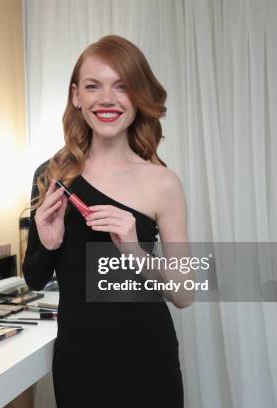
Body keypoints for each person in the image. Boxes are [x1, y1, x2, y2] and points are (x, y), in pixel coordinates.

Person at [22, 35, 191, 407]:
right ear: (76, 95)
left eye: (122, 87)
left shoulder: (163, 183)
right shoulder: (52, 175)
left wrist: (134, 251)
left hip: (148, 361)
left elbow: (185, 293)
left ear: (137, 96)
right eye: (93, 86)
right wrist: (49, 243)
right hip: (79, 363)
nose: (108, 100)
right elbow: (33, 277)